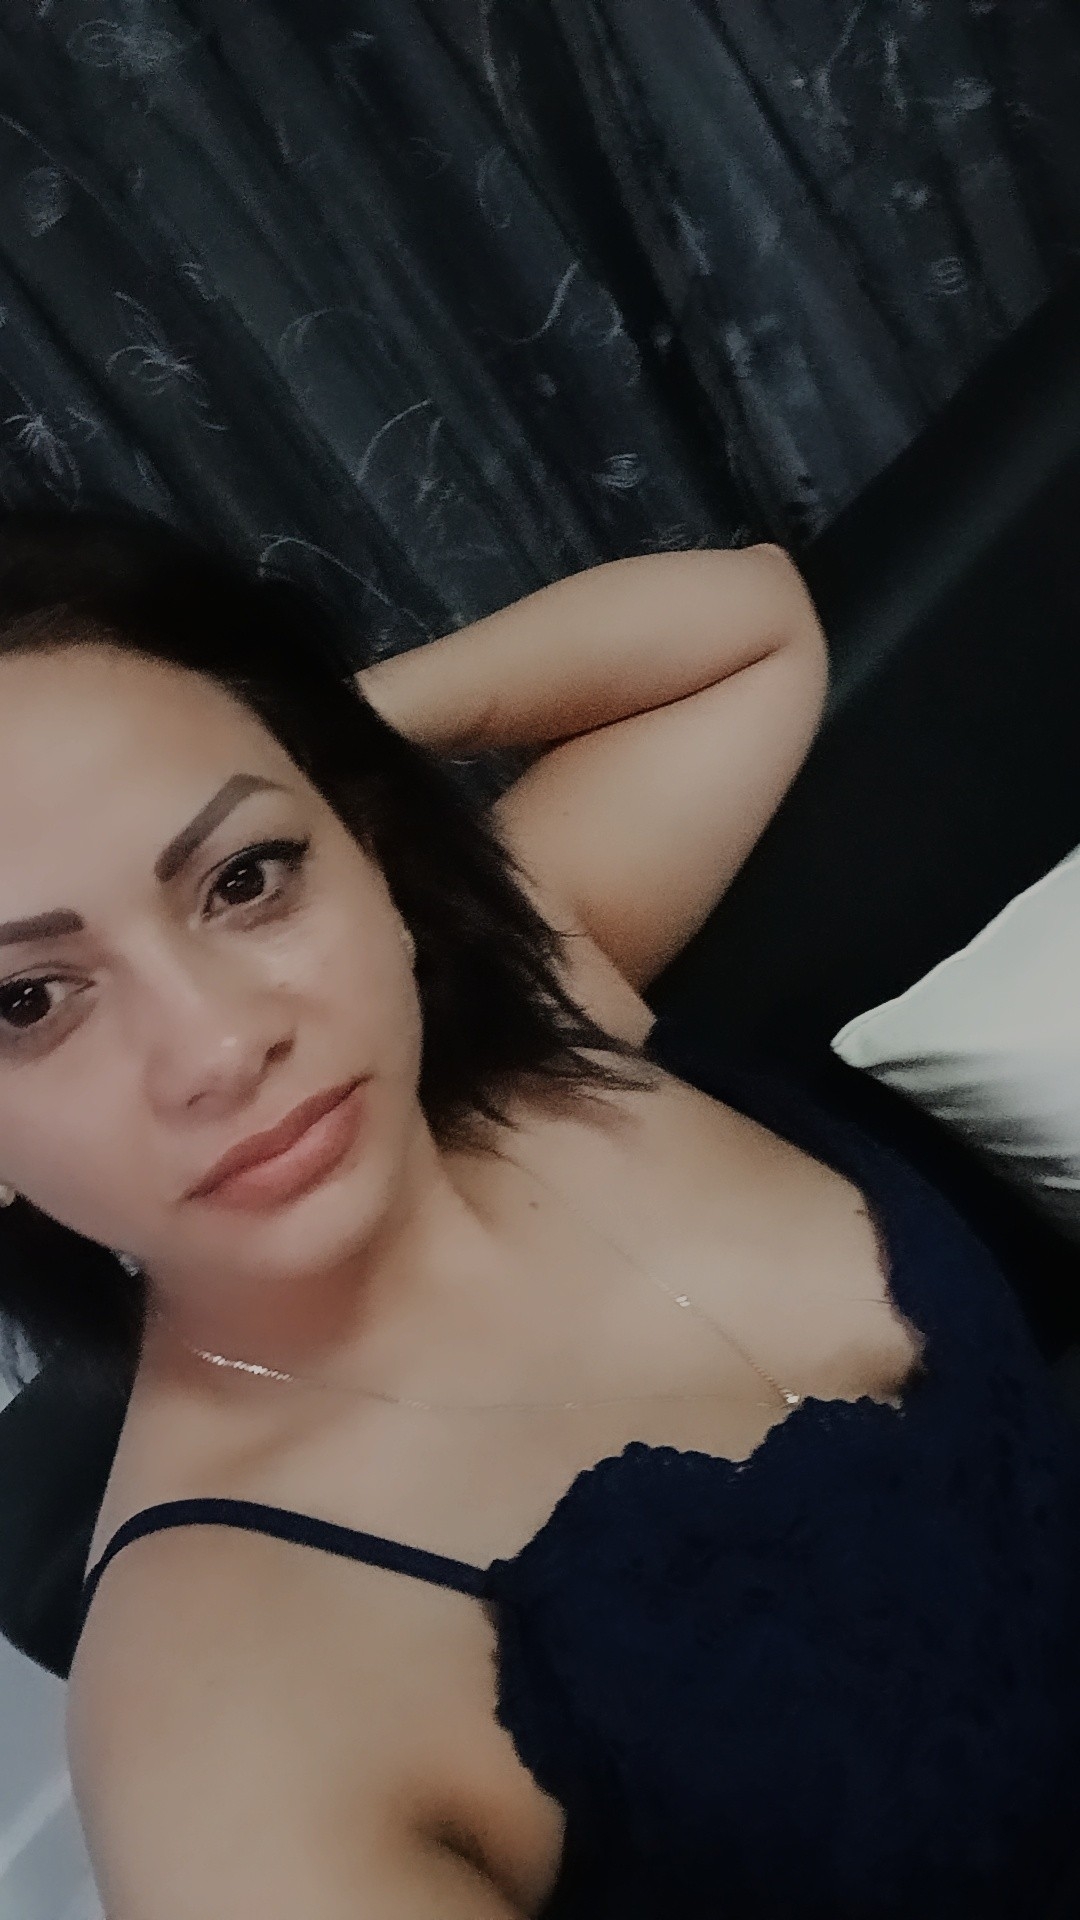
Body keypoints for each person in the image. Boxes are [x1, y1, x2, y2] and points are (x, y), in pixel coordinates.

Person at [0, 505, 1077, 1919]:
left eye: (245, 877)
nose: (218, 1047)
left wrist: (295, 737)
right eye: (27, 1001)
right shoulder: (227, 1729)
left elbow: (748, 626)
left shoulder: (542, 1001)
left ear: (365, 850)